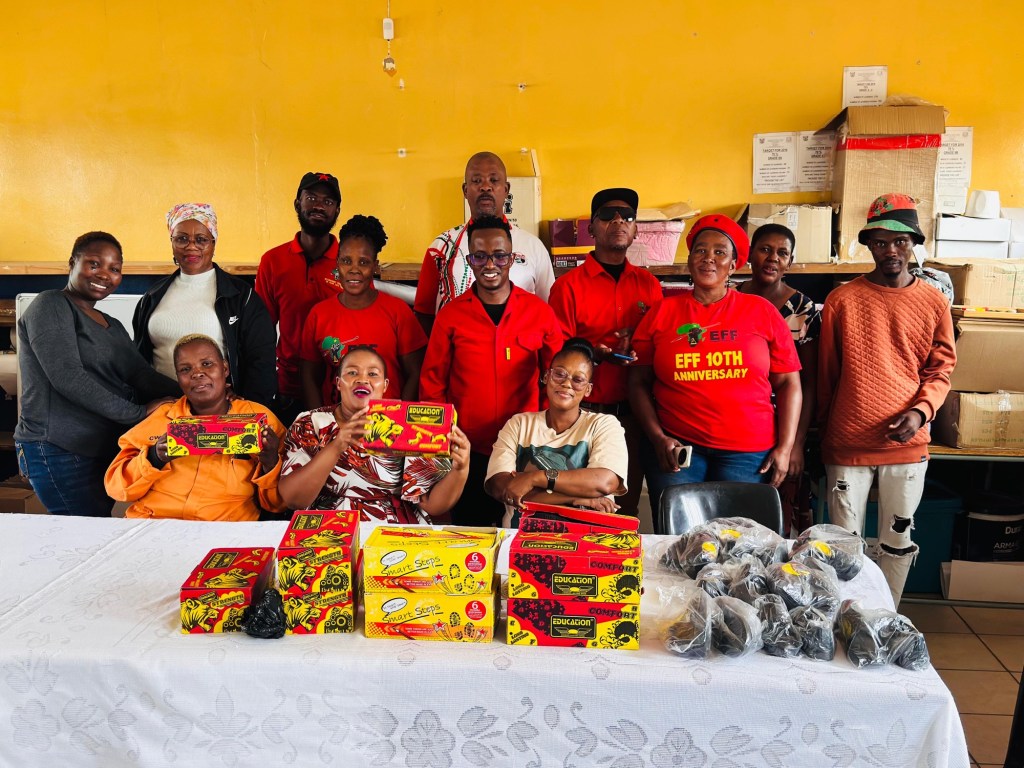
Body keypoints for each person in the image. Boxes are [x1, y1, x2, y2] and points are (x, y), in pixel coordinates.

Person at [818, 193, 956, 606]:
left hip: (907, 444)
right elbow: (827, 374)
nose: (890, 250)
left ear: (914, 243)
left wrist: (920, 412)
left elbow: (941, 369)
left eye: (900, 241)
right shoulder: (842, 300)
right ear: (869, 245)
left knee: (898, 538)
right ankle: (847, 617)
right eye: (880, 242)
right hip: (848, 443)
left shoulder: (934, 301)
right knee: (844, 543)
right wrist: (820, 434)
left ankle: (885, 617)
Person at [628, 214, 802, 526]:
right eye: (700, 250)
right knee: (679, 542)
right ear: (689, 260)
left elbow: (789, 382)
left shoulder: (761, 312)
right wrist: (657, 437)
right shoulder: (661, 313)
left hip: (748, 455)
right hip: (677, 450)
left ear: (733, 265)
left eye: (719, 252)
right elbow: (637, 381)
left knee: (740, 544)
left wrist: (786, 447)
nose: (708, 258)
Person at [15, 232, 180, 516]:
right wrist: (139, 413)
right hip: (58, 448)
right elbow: (68, 377)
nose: (104, 274)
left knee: (97, 530)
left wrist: (192, 394)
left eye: (114, 269)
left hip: (99, 449)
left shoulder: (111, 324)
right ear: (72, 263)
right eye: (94, 264)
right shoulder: (51, 304)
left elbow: (139, 374)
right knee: (81, 534)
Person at [420, 215, 562, 527]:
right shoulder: (451, 316)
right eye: (479, 256)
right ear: (469, 260)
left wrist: (545, 433)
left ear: (512, 258)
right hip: (467, 450)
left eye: (499, 255)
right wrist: (443, 441)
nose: (490, 264)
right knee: (472, 534)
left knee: (527, 533)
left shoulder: (539, 313)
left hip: (527, 450)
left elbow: (557, 380)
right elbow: (432, 383)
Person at [547, 187, 663, 517]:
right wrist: (592, 355)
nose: (619, 221)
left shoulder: (649, 285)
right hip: (580, 417)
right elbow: (556, 355)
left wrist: (635, 343)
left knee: (622, 510)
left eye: (627, 216)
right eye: (608, 215)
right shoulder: (567, 286)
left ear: (635, 228)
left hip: (633, 416)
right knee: (576, 509)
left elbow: (660, 344)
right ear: (592, 228)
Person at [279, 346, 471, 523]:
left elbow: (433, 504)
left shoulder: (410, 425)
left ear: (385, 385)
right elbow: (293, 499)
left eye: (372, 374)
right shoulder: (310, 422)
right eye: (352, 372)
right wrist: (337, 446)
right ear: (338, 383)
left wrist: (460, 469)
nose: (362, 379)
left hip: (395, 531)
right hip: (330, 530)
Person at [105, 334, 286, 521]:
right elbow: (117, 489)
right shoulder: (160, 418)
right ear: (178, 378)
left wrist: (271, 462)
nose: (197, 374)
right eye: (185, 369)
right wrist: (153, 458)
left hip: (222, 527)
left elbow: (278, 503)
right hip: (154, 522)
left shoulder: (259, 419)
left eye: (207, 364)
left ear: (224, 368)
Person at [134, 203, 276, 405]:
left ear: (213, 243)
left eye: (201, 239)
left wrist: (248, 406)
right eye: (182, 239)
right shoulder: (152, 296)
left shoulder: (241, 296)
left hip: (219, 409)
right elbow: (139, 362)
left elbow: (261, 360)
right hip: (164, 409)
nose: (191, 246)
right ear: (172, 242)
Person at [486, 338, 628, 527]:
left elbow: (604, 483)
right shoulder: (519, 424)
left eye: (578, 380)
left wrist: (534, 478)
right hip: (519, 535)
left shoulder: (604, 425)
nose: (567, 384)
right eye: (560, 374)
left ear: (588, 389)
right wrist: (576, 499)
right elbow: (502, 487)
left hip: (587, 538)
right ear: (546, 376)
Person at [412, 151, 555, 335]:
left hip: (519, 350)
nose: (485, 187)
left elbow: (548, 310)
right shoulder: (441, 247)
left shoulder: (533, 247)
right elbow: (424, 314)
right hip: (458, 349)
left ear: (506, 189)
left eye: (494, 180)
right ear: (465, 190)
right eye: (477, 181)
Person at [737, 223, 821, 531]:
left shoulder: (803, 310)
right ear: (749, 255)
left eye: (782, 253)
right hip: (740, 425)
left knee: (772, 518)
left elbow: (808, 383)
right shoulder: (730, 298)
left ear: (790, 261)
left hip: (785, 423)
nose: (773, 258)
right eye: (765, 249)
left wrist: (795, 443)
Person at [300, 215, 426, 408]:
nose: (354, 270)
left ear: (375, 266)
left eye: (364, 262)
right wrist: (318, 418)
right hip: (336, 421)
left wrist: (398, 417)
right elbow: (309, 375)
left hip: (387, 421)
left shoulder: (398, 312)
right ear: (337, 264)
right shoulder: (319, 314)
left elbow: (415, 373)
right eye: (346, 261)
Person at [256, 172, 345, 425]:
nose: (319, 206)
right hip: (288, 387)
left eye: (328, 201)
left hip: (339, 387)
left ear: (337, 210)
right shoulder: (273, 261)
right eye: (311, 198)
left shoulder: (350, 261)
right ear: (297, 203)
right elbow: (261, 332)